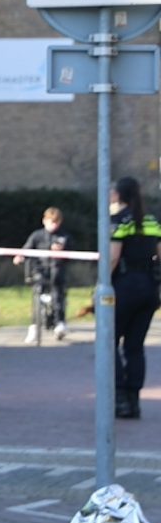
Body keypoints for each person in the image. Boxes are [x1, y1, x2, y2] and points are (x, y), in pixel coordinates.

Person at [110, 178, 161, 420]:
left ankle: (119, 397)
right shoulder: (151, 220)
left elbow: (112, 259)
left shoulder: (119, 221)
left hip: (125, 287)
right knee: (135, 346)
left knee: (109, 343)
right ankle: (133, 400)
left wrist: (100, 286)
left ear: (119, 195)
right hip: (149, 289)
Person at [21, 207, 72, 345]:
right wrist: (20, 256)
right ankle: (34, 327)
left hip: (56, 271)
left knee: (58, 296)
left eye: (56, 222)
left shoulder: (63, 236)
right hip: (40, 270)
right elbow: (27, 248)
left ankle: (59, 322)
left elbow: (69, 253)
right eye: (51, 221)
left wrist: (62, 251)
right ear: (44, 221)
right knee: (36, 296)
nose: (53, 225)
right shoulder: (37, 235)